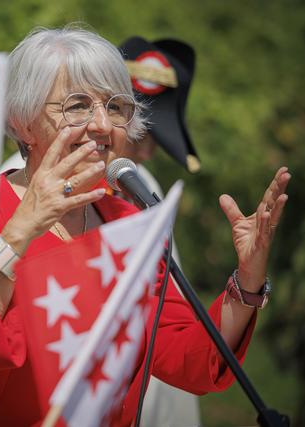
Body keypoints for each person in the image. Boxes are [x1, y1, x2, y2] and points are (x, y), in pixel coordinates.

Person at [0, 25, 290, 427]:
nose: (103, 126)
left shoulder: (126, 221)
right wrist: (18, 235)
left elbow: (188, 360)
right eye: (77, 105)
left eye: (116, 106)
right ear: (22, 121)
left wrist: (247, 281)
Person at [119, 36, 202, 425]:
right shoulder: (25, 177)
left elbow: (167, 325)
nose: (149, 150)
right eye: (144, 135)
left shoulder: (142, 183)